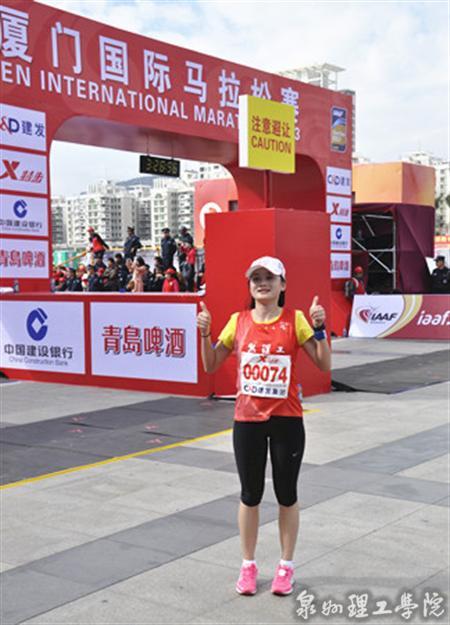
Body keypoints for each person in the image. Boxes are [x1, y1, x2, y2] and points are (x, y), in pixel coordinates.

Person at [197, 256, 330, 597]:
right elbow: (211, 364)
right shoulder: (238, 321)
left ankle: (286, 566)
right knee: (250, 494)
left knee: (287, 494)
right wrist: (205, 333)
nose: (262, 283)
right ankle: (248, 565)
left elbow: (323, 363)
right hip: (248, 421)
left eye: (270, 278)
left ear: (283, 284)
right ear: (250, 285)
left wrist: (319, 328)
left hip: (287, 420)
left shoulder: (295, 320)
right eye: (256, 278)